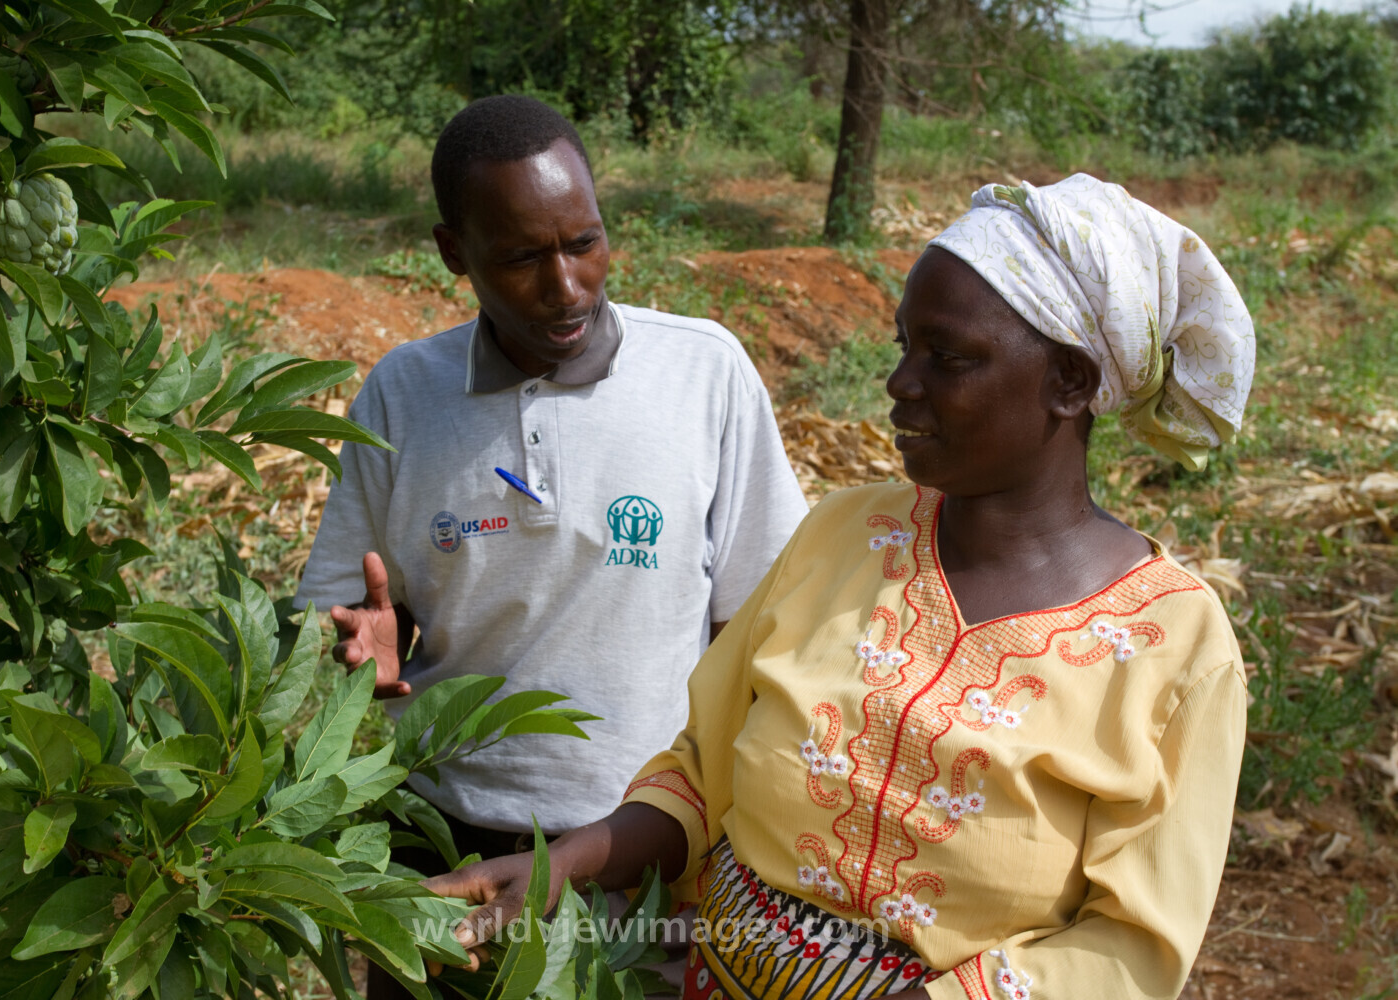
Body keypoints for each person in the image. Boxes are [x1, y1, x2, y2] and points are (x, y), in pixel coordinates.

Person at [426, 173, 1257, 1000]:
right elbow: (699, 771)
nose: (901, 384)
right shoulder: (845, 533)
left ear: (1070, 382)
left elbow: (1132, 947)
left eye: (949, 357)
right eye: (904, 347)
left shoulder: (1173, 644)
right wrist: (556, 868)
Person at [296, 94, 806, 909]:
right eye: (522, 258)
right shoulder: (404, 395)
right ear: (453, 253)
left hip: (647, 842)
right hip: (442, 833)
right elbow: (351, 604)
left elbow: (765, 619)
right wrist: (368, 640)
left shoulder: (703, 373)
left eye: (584, 243)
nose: (567, 286)